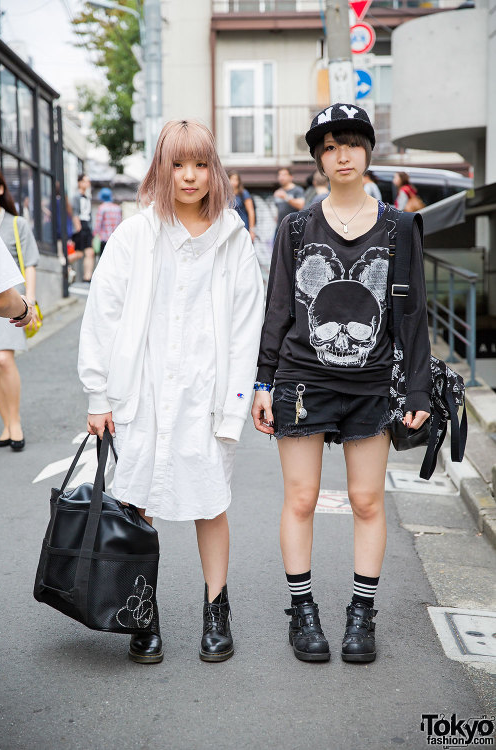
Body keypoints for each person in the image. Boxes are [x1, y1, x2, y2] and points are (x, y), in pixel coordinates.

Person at [78, 119, 264, 665]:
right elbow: (103, 313)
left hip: (207, 396)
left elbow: (247, 323)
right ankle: (142, 612)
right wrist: (98, 395)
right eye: (178, 164)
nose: (189, 176)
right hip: (145, 392)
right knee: (140, 503)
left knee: (211, 502)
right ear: (161, 167)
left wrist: (240, 396)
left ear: (215, 171)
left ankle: (216, 609)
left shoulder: (232, 237)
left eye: (200, 164)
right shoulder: (137, 234)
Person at [252, 103, 430, 664]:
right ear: (318, 160)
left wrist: (419, 391)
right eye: (328, 147)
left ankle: (362, 614)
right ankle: (302, 613)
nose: (341, 155)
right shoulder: (297, 227)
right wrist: (260, 382)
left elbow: (413, 314)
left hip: (374, 381)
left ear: (368, 151)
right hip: (302, 376)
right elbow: (278, 307)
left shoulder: (400, 225)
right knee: (301, 498)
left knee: (366, 499)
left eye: (350, 143)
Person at [0, 169, 39, 452]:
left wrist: (30, 302)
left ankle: (16, 422)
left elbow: (31, 263)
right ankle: (6, 424)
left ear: (0, 189)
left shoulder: (15, 223)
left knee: (2, 360)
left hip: (10, 300)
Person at [0, 234, 33, 326]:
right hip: (13, 303)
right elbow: (3, 301)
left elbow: (30, 264)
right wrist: (25, 308)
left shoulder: (18, 224)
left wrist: (31, 299)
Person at [72, 173, 95, 282]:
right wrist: (78, 228)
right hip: (80, 225)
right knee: (79, 253)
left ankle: (88, 277)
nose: (87, 183)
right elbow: (74, 213)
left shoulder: (88, 197)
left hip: (87, 226)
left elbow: (89, 215)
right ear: (80, 182)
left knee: (90, 252)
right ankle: (63, 264)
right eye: (85, 181)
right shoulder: (76, 196)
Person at [273, 167, 305, 236]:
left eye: (284, 175)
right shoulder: (278, 192)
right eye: (280, 175)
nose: (281, 177)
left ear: (291, 177)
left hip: (293, 229)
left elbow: (301, 205)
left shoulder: (297, 190)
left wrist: (286, 197)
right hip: (279, 228)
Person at [93, 187, 122, 256]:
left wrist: (94, 235)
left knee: (104, 261)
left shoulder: (102, 208)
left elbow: (98, 225)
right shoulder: (117, 208)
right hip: (115, 240)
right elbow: (120, 223)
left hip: (104, 239)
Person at [228, 172, 256, 242]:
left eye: (236, 179)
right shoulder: (225, 195)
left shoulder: (243, 193)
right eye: (231, 179)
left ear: (239, 182)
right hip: (229, 228)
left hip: (242, 227)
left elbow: (251, 212)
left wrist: (252, 230)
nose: (233, 182)